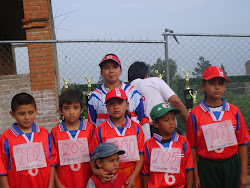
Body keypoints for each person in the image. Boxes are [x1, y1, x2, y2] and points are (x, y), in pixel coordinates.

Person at [185, 66, 250, 188]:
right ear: (203, 86)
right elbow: (192, 147)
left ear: (225, 87)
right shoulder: (195, 114)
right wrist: (196, 175)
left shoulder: (234, 112)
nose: (217, 87)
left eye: (221, 83)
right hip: (207, 167)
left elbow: (242, 143)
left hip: (231, 164)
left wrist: (243, 174)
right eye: (212, 83)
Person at [90, 88, 145, 188]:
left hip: (132, 172)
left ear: (127, 105)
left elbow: (141, 155)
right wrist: (96, 171)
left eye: (120, 103)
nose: (116, 107)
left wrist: (134, 176)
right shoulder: (100, 130)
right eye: (111, 104)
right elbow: (92, 155)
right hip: (109, 175)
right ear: (106, 107)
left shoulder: (136, 128)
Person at [88, 54, 151, 141]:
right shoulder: (95, 96)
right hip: (106, 145)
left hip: (131, 144)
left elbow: (143, 120)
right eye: (106, 68)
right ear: (101, 73)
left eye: (115, 67)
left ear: (121, 71)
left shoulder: (132, 92)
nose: (111, 71)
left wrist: (146, 143)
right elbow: (91, 125)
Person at [0, 93, 57, 188]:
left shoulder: (44, 133)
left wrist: (50, 185)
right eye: (21, 114)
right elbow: (2, 168)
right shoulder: (6, 137)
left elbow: (52, 162)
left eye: (31, 112)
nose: (27, 117)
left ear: (36, 111)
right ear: (12, 114)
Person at [142, 103, 194, 188]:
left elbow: (189, 168)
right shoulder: (148, 145)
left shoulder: (183, 142)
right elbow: (145, 172)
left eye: (173, 119)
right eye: (166, 120)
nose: (171, 123)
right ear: (155, 123)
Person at [50, 89, 95, 188]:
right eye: (67, 108)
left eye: (75, 107)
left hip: (88, 182)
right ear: (60, 111)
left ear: (81, 109)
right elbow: (53, 162)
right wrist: (57, 183)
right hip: (64, 182)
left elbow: (95, 157)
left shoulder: (90, 130)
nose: (71, 112)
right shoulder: (55, 133)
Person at [128, 61, 188, 128]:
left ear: (128, 80)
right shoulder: (155, 81)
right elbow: (175, 101)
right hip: (164, 129)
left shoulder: (126, 90)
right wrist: (188, 122)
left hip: (138, 132)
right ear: (147, 75)